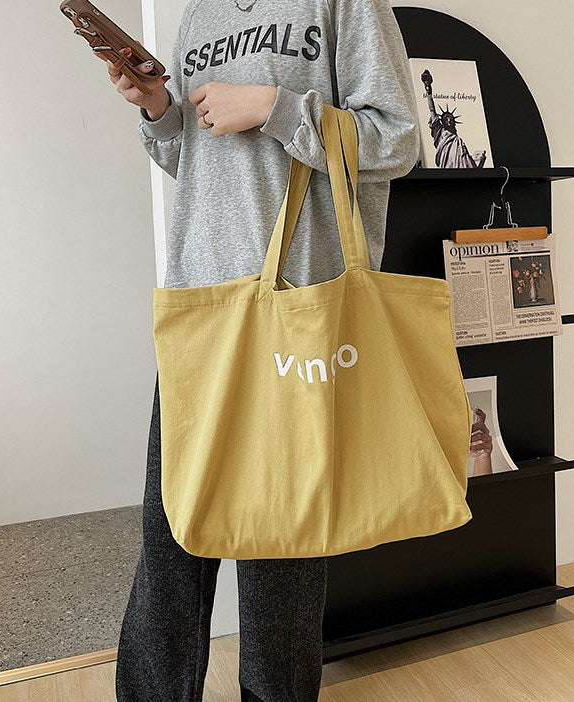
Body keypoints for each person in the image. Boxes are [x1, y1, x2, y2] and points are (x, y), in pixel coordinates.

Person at [95, 1, 420, 700]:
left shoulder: (342, 4)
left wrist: (276, 107)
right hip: (201, 307)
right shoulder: (200, 15)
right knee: (171, 533)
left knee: (280, 543)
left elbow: (396, 142)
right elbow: (194, 163)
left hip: (297, 310)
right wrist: (158, 109)